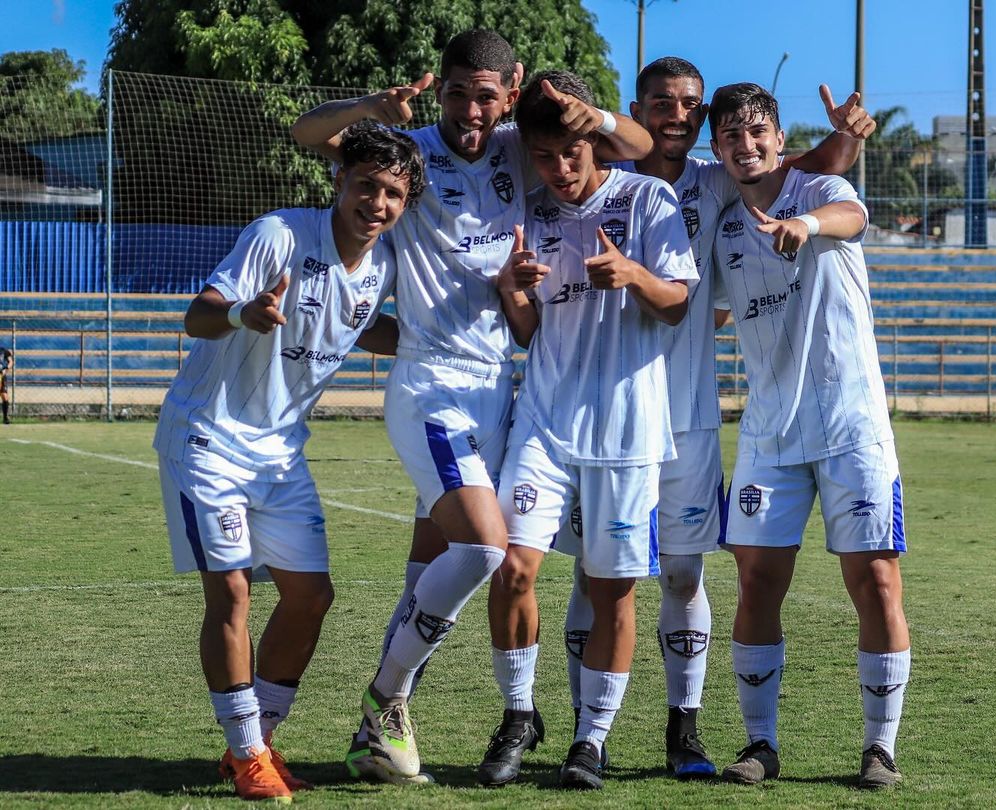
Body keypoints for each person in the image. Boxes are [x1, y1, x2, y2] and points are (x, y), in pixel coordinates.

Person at [480, 55, 877, 783]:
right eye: (661, 102)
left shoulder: (711, 179)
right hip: (588, 411)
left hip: (683, 416)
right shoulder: (564, 184)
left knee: (684, 576)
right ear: (635, 109)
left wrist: (847, 141)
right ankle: (581, 733)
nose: (678, 114)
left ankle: (683, 728)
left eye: (691, 105)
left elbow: (789, 165)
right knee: (587, 577)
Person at [290, 30, 652, 784]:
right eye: (458, 93)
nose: (470, 110)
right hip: (433, 387)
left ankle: (378, 737)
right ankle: (381, 702)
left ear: (512, 90)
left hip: (501, 389)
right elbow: (307, 133)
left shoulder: (526, 147)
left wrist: (595, 118)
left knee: (431, 563)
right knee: (487, 549)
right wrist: (370, 109)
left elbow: (639, 145)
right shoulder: (411, 149)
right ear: (443, 90)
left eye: (487, 95)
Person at [153, 122, 423, 803]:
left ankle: (257, 738)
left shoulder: (386, 264)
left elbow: (364, 325)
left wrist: (449, 338)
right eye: (366, 185)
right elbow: (200, 314)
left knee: (311, 596)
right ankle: (248, 755)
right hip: (208, 438)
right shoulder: (280, 234)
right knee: (234, 592)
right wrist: (247, 313)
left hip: (280, 453)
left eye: (393, 193)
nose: (377, 203)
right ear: (339, 180)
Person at [487, 69, 696, 791]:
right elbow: (528, 333)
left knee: (612, 592)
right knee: (511, 568)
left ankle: (592, 739)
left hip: (628, 432)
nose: (561, 169)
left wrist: (634, 275)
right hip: (543, 423)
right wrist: (512, 291)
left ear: (595, 139)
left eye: (571, 152)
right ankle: (519, 714)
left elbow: (677, 306)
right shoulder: (534, 214)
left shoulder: (649, 198)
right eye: (544, 158)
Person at [707, 83, 910, 790]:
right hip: (769, 432)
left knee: (876, 581)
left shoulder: (820, 185)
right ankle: (760, 744)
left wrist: (810, 226)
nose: (746, 144)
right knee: (757, 582)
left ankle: (879, 748)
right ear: (717, 149)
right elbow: (716, 313)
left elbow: (850, 215)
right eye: (731, 135)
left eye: (757, 131)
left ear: (778, 137)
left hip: (853, 426)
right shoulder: (722, 223)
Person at [0, 346, 11, 424]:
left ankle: (5, 417)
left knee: (4, 396)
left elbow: (11, 362)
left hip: (2, 375)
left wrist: (6, 368)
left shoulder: (3, 350)